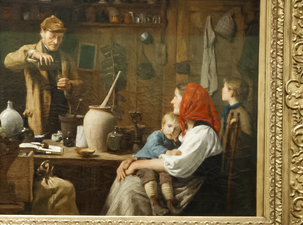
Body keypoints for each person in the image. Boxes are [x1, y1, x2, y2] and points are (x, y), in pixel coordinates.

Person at [104, 82, 223, 216]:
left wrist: (138, 164)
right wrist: (133, 161)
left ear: (187, 102)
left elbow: (176, 164)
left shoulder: (203, 133)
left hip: (192, 189)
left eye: (176, 97)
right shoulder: (188, 130)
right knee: (124, 179)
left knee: (130, 190)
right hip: (180, 180)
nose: (172, 101)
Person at [3, 14, 79, 137]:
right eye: (52, 37)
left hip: (62, 115)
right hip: (38, 114)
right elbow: (8, 61)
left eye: (60, 38)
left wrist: (70, 85)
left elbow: (80, 84)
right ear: (42, 32)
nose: (56, 42)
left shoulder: (67, 58)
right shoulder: (29, 50)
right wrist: (32, 54)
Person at [132, 111, 184, 214]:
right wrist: (167, 152)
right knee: (149, 175)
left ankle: (170, 203)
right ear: (163, 126)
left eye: (176, 129)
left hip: (159, 163)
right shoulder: (157, 135)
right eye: (169, 126)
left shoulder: (176, 142)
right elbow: (153, 148)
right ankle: (154, 204)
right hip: (145, 159)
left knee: (166, 175)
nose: (172, 130)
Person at [220, 77, 256, 216]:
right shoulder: (228, 111)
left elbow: (248, 141)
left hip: (238, 167)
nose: (222, 90)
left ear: (232, 92)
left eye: (225, 87)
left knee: (239, 200)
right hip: (227, 162)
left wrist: (236, 131)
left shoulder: (242, 113)